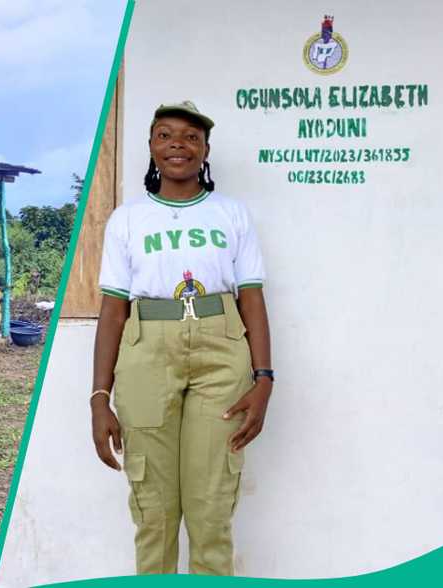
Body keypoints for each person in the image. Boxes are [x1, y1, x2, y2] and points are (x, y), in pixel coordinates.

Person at [89, 101, 273, 576]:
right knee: (155, 513)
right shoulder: (128, 219)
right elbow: (113, 310)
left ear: (205, 150)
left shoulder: (231, 214)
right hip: (147, 351)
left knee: (211, 510)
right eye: (166, 135)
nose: (178, 145)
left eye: (191, 137)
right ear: (151, 148)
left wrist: (264, 378)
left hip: (221, 351)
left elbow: (251, 298)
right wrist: (98, 397)